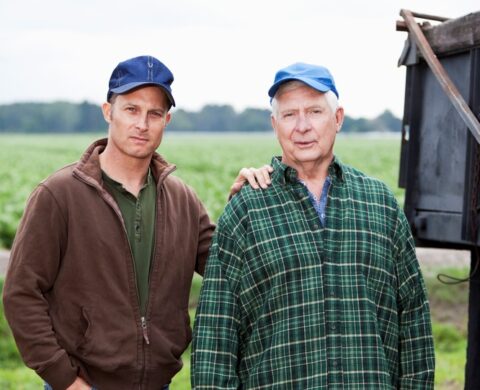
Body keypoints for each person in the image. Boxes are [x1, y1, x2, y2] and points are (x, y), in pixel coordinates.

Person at [2, 55, 272, 390]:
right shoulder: (58, 195)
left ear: (166, 120)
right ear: (108, 111)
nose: (142, 123)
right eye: (131, 109)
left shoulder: (183, 199)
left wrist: (242, 206)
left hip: (159, 383)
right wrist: (65, 380)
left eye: (154, 113)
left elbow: (230, 264)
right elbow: (21, 294)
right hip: (82, 384)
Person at [191, 62, 435, 388]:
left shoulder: (380, 204)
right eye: (290, 115)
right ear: (274, 124)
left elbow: (414, 320)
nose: (302, 126)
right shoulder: (247, 210)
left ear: (337, 119)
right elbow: (215, 337)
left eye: (315, 112)